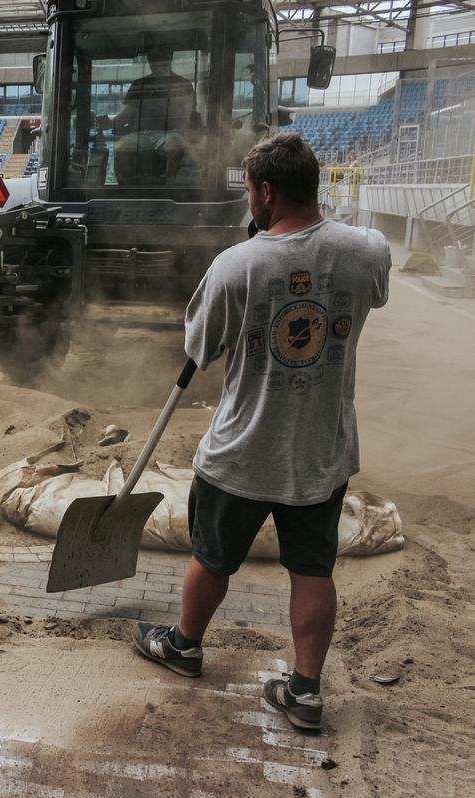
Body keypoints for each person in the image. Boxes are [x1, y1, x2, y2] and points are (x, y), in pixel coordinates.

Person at [131, 133, 390, 732]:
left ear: (266, 191)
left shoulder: (237, 264)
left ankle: (185, 646)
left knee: (212, 557)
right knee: (312, 569)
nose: (249, 200)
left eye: (250, 190)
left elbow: (201, 346)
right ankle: (303, 692)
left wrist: (248, 272)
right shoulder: (366, 251)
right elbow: (373, 272)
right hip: (322, 452)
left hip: (243, 450)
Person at [110, 43, 198, 184]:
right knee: (121, 148)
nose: (157, 65)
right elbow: (126, 114)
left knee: (175, 147)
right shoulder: (139, 84)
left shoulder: (183, 84)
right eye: (153, 62)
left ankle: (170, 188)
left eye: (160, 61)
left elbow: (189, 114)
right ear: (150, 62)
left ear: (169, 60)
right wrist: (109, 123)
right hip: (139, 133)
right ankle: (126, 190)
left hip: (171, 132)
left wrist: (189, 132)